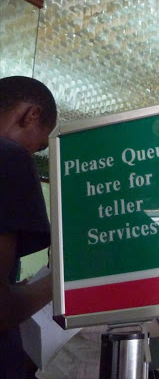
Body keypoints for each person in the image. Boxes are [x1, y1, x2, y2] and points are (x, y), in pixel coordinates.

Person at [0, 76, 57, 379]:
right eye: (41, 144)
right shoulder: (9, 156)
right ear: (30, 114)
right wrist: (60, 280)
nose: (34, 152)